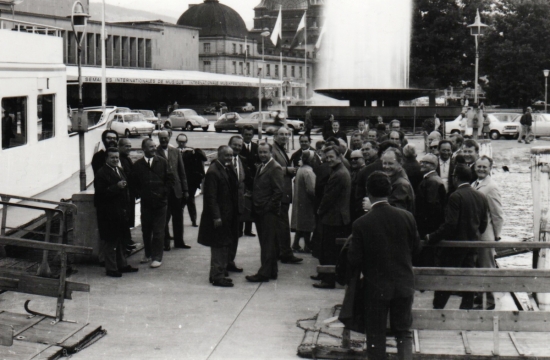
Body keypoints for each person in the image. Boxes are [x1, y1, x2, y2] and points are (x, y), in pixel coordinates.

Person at [348, 171, 420, 360]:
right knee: (403, 332)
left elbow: (354, 259)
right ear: (389, 190)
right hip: (404, 284)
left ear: (368, 192)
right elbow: (416, 249)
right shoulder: (407, 217)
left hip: (376, 288)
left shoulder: (361, 223)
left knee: (376, 335)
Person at [426, 164, 489, 309]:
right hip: (471, 245)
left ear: (455, 178)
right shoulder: (480, 196)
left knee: (446, 279)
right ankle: (466, 310)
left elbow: (450, 224)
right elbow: (483, 225)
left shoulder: (455, 196)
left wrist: (432, 237)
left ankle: (437, 310)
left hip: (454, 246)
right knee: (467, 279)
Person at [131, 138, 175, 268]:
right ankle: (148, 254)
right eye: (151, 147)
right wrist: (140, 193)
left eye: (154, 146)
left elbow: (170, 180)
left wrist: (163, 193)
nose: (154, 149)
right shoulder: (138, 165)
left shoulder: (162, 162)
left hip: (161, 203)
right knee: (146, 230)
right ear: (143, 149)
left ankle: (157, 257)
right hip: (146, 203)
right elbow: (133, 182)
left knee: (158, 231)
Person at [94, 148, 139, 277]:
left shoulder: (119, 170)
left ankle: (122, 265)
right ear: (106, 159)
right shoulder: (101, 173)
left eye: (117, 158)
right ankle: (111, 268)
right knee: (110, 241)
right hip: (108, 214)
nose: (115, 160)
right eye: (112, 157)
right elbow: (100, 195)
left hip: (120, 213)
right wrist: (116, 187)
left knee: (121, 240)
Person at [197, 146, 238, 287]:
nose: (229, 158)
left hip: (225, 216)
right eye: (226, 155)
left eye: (231, 155)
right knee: (218, 248)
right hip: (218, 218)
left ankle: (216, 274)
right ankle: (217, 277)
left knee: (222, 246)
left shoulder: (224, 168)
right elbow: (211, 197)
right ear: (219, 155)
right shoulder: (214, 172)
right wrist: (216, 217)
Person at [313, 146, 351, 289]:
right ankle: (324, 274)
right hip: (336, 217)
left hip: (334, 218)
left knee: (329, 250)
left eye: (331, 157)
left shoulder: (339, 174)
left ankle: (327, 279)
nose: (328, 159)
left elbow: (328, 198)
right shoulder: (338, 171)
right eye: (326, 157)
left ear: (339, 156)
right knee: (329, 249)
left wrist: (319, 211)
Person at [246, 142, 284, 282]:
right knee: (267, 243)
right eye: (260, 152)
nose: (262, 155)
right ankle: (272, 270)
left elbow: (278, 192)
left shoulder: (275, 168)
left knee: (267, 243)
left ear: (271, 153)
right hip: (260, 210)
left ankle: (264, 273)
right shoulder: (262, 166)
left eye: (265, 152)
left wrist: (267, 208)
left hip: (268, 213)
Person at [472, 156, 504, 309]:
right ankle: (479, 297)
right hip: (475, 235)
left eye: (484, 167)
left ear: (490, 168)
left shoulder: (491, 187)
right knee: (478, 266)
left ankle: (490, 301)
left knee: (487, 266)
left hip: (486, 235)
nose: (481, 169)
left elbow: (497, 214)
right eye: (479, 166)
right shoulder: (474, 184)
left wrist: (496, 236)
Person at [271, 128, 303, 264]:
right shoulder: (273, 151)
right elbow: (271, 168)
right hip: (279, 194)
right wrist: (287, 170)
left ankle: (280, 251)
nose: (284, 137)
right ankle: (285, 253)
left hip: (284, 193)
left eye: (286, 134)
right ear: (275, 136)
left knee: (281, 224)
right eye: (281, 134)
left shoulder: (281, 149)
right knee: (282, 225)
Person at [156, 130, 190, 251]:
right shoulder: (155, 152)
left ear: (169, 137)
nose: (164, 140)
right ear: (158, 138)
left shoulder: (175, 151)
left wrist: (185, 189)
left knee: (178, 217)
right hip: (163, 191)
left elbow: (182, 172)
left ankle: (179, 241)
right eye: (162, 138)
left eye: (166, 138)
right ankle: (165, 244)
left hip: (176, 190)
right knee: (164, 218)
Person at [176, 134, 207, 227]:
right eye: (180, 141)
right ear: (177, 141)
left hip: (190, 182)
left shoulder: (191, 152)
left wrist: (196, 151)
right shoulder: (174, 151)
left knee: (190, 200)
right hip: (178, 182)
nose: (182, 143)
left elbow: (203, 159)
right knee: (179, 203)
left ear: (186, 142)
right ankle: (179, 220)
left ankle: (194, 220)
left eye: (184, 142)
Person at [291, 150, 317, 253]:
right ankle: (307, 245)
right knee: (307, 224)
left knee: (301, 224)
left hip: (300, 200)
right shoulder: (308, 172)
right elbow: (311, 190)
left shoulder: (301, 169)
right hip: (307, 202)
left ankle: (296, 244)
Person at [228, 135, 247, 272]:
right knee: (225, 238)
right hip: (226, 207)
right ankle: (222, 264)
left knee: (235, 236)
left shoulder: (242, 161)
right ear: (229, 144)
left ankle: (230, 261)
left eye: (240, 145)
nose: (237, 147)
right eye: (235, 145)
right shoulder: (223, 161)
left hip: (238, 207)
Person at [380, 148, 415, 214]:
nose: (386, 167)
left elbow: (395, 212)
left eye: (390, 163)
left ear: (400, 163)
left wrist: (372, 206)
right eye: (384, 163)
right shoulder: (394, 178)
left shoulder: (401, 184)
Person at [118, 138, 138, 254]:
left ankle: (128, 240)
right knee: (125, 217)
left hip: (130, 192)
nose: (129, 148)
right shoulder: (121, 159)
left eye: (130, 146)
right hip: (125, 193)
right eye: (126, 146)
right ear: (119, 147)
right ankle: (126, 242)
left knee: (129, 217)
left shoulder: (127, 159)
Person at [239, 126, 259, 237]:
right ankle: (239, 229)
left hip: (253, 180)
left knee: (250, 204)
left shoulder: (256, 147)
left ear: (253, 135)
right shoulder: (238, 146)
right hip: (242, 179)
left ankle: (248, 229)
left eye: (250, 135)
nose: (248, 136)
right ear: (242, 135)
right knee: (242, 203)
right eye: (246, 134)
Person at [349, 150, 366, 222]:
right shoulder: (353, 172)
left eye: (356, 158)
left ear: (363, 159)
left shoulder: (365, 171)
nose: (353, 161)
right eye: (351, 159)